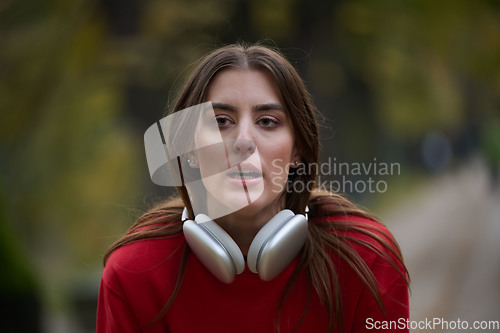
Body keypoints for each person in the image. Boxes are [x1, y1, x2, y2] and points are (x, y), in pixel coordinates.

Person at [97, 43, 409, 333]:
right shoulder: (134, 273)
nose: (244, 141)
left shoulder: (365, 258)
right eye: (221, 121)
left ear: (297, 150)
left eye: (268, 121)